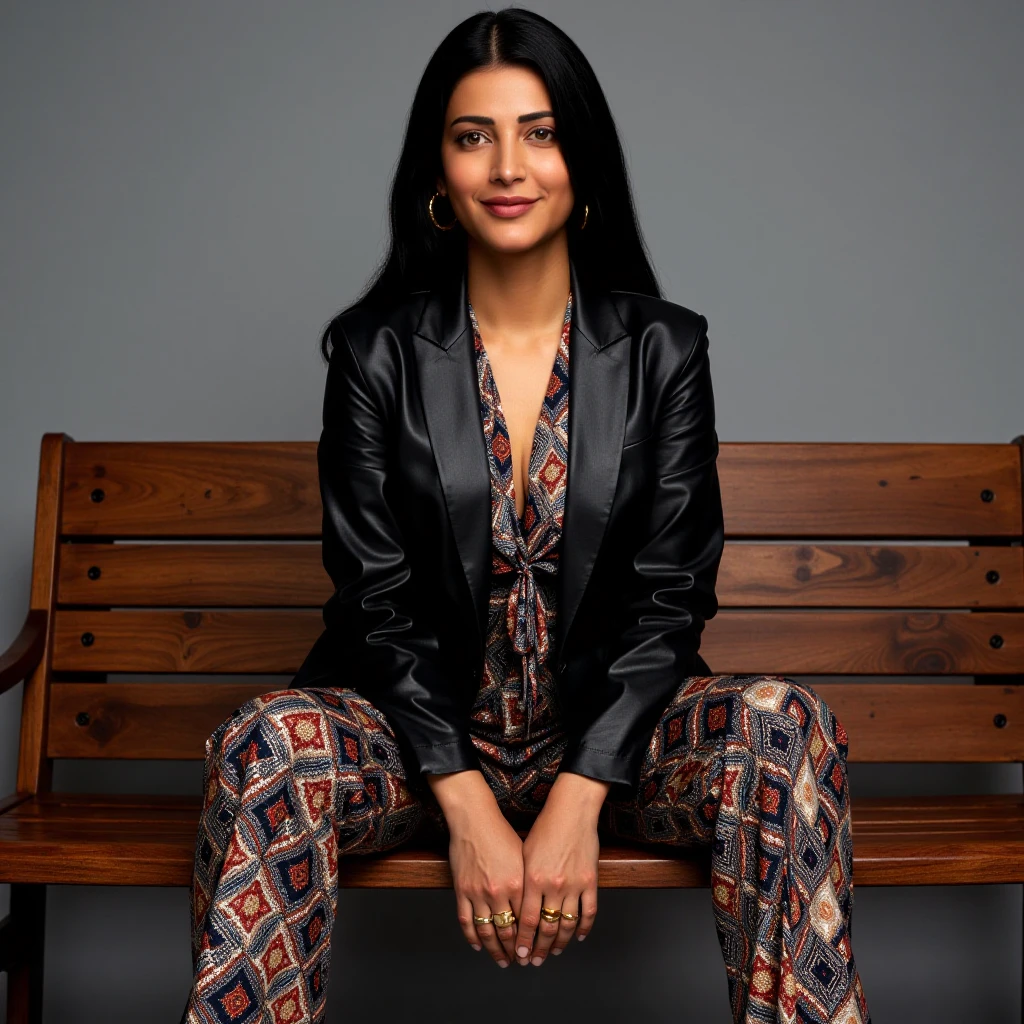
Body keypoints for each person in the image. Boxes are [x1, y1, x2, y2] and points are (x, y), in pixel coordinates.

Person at [181, 8, 870, 1023]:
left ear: (580, 161)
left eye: (539, 132)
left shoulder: (662, 350)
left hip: (614, 744)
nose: (508, 165)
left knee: (785, 727)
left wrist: (582, 795)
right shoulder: (374, 354)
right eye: (473, 136)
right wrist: (462, 802)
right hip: (414, 746)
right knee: (264, 741)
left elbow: (672, 594)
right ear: (438, 175)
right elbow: (375, 603)